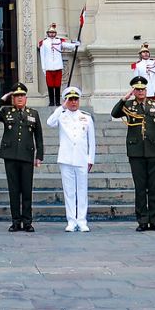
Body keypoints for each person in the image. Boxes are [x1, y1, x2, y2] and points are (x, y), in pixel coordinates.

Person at [111, 76, 155, 231]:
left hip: (153, 150)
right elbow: (114, 113)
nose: (140, 92)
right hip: (136, 151)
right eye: (137, 89)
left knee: (154, 187)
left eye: (142, 89)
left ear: (146, 90)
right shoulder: (128, 105)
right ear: (134, 91)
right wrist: (124, 98)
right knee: (140, 187)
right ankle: (143, 220)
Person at [0, 83, 45, 232]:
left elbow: (39, 136)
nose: (19, 98)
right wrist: (2, 99)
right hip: (10, 155)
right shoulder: (6, 111)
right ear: (13, 98)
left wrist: (39, 155)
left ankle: (27, 221)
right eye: (16, 96)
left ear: (26, 98)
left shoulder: (33, 113)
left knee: (27, 190)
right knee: (13, 190)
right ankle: (15, 221)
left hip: (27, 156)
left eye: (22, 96)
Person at [47, 85, 96, 231]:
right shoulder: (61, 115)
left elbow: (92, 140)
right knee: (69, 191)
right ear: (66, 100)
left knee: (82, 191)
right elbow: (50, 122)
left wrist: (90, 159)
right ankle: (71, 221)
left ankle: (82, 221)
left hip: (81, 158)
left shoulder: (86, 117)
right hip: (66, 158)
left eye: (75, 99)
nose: (73, 102)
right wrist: (62, 107)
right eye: (70, 99)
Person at [37, 23, 80, 106]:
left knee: (57, 85)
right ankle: (51, 102)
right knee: (50, 86)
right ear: (47, 33)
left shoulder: (59, 41)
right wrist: (44, 68)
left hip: (58, 67)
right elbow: (42, 56)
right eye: (50, 32)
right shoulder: (44, 43)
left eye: (53, 33)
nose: (52, 34)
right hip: (48, 67)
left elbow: (67, 45)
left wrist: (75, 44)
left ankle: (57, 102)